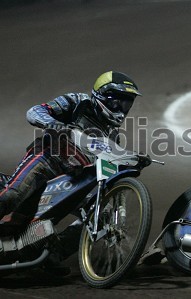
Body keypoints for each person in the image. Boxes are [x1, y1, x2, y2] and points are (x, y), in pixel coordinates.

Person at [0, 71, 141, 273]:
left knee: (101, 215)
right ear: (101, 96)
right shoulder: (78, 102)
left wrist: (133, 161)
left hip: (74, 179)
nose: (122, 108)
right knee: (12, 195)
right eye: (117, 101)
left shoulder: (113, 136)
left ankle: (51, 255)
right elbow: (35, 111)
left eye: (127, 103)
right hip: (49, 158)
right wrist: (51, 123)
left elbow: (110, 168)